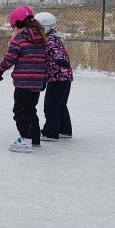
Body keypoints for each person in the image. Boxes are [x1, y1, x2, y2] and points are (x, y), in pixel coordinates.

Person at [0, 6, 47, 152]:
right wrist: (44, 79)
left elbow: (10, 58)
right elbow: (46, 61)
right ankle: (34, 139)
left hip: (23, 82)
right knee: (31, 110)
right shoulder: (41, 37)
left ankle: (25, 140)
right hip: (36, 82)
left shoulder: (20, 39)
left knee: (20, 111)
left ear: (18, 24)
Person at [35, 12, 74, 141]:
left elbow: (56, 53)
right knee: (61, 104)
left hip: (57, 77)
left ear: (45, 27)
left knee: (51, 105)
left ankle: (50, 132)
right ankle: (64, 130)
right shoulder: (55, 38)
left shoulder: (49, 40)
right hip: (65, 76)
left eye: (38, 28)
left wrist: (59, 60)